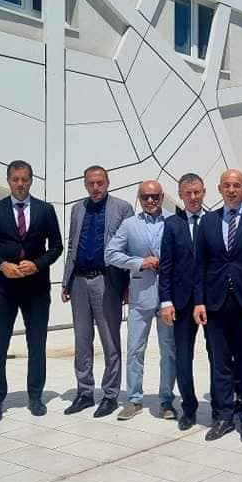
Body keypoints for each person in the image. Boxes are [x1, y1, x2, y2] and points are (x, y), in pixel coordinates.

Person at [0, 160, 63, 422]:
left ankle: (35, 396)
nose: (20, 184)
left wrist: (38, 264)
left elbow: (56, 246)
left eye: (25, 179)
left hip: (36, 288)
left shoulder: (45, 210)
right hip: (3, 288)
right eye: (16, 179)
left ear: (31, 180)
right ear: (8, 180)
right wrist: (1, 265)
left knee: (37, 344)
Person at [60, 166, 134, 418]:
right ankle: (84, 392)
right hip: (79, 281)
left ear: (107, 183)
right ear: (85, 184)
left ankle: (110, 395)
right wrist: (66, 281)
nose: (95, 187)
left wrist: (127, 285)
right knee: (82, 340)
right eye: (91, 183)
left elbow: (130, 249)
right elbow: (72, 246)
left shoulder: (122, 208)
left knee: (110, 340)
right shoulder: (77, 209)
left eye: (100, 182)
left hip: (107, 281)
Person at [194, 169, 242, 442]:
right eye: (227, 185)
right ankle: (223, 415)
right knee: (219, 362)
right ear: (220, 189)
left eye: (236, 185)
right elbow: (199, 265)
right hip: (215, 302)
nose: (232, 190)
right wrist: (199, 301)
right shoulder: (208, 221)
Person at [105, 180, 176, 420]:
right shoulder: (129, 224)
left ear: (162, 196)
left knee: (169, 350)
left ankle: (167, 400)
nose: (150, 200)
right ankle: (134, 399)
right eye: (145, 196)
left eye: (155, 196)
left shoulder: (174, 221)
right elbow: (110, 254)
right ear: (139, 197)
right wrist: (139, 262)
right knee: (135, 349)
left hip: (168, 297)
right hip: (140, 295)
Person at [160, 173, 207, 429]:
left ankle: (222, 407)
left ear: (204, 192)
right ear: (180, 195)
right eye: (188, 193)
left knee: (218, 356)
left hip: (211, 301)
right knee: (182, 357)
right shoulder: (171, 225)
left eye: (197, 192)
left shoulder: (214, 221)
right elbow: (166, 266)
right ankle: (188, 407)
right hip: (181, 302)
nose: (193, 197)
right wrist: (166, 301)